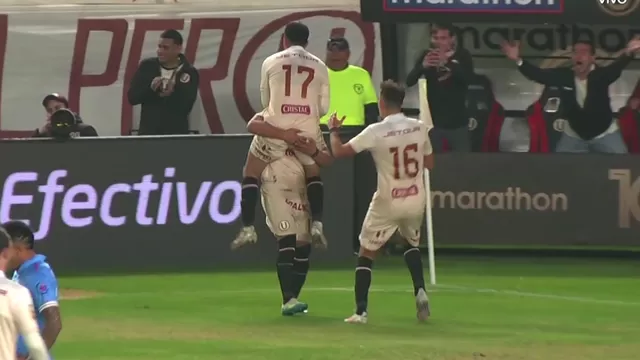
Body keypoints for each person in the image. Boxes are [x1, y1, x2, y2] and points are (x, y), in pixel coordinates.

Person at [327, 80, 435, 324]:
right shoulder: (419, 127)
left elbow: (340, 152)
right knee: (411, 243)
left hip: (388, 199)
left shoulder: (376, 130)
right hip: (415, 198)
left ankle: (361, 311)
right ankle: (420, 291)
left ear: (382, 102)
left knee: (367, 251)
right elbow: (430, 164)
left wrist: (334, 131)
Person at [233, 22, 330, 250]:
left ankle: (248, 228)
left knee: (251, 172)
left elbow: (266, 101)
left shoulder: (271, 61)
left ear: (284, 39)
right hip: (307, 129)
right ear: (307, 42)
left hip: (277, 127)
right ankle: (317, 224)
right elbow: (324, 108)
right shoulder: (321, 66)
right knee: (313, 172)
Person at [501, 38, 640, 153]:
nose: (578, 56)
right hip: (574, 135)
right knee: (562, 170)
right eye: (575, 52)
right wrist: (518, 59)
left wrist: (629, 52)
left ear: (592, 58)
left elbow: (617, 67)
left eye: (583, 52)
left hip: (605, 133)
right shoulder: (564, 76)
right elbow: (538, 75)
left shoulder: (601, 75)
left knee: (623, 164)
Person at [254, 123, 332, 316]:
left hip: (300, 191)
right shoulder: (267, 126)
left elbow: (325, 162)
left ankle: (291, 300)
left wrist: (313, 150)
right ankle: (288, 299)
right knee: (287, 240)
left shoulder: (308, 132)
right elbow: (252, 126)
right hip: (275, 187)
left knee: (303, 247)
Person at [405, 23, 474, 152]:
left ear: (452, 39)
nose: (438, 42)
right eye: (435, 38)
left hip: (458, 124)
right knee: (437, 165)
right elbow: (409, 81)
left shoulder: (462, 55)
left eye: (443, 38)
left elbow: (469, 79)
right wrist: (422, 67)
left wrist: (447, 63)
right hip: (434, 124)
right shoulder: (427, 55)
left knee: (463, 165)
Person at [3, 221, 62, 359]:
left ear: (18, 250)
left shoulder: (38, 274)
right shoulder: (23, 272)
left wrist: (31, 358)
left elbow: (54, 322)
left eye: (5, 250)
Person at [127, 29, 199, 135]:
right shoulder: (147, 66)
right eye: (159, 46)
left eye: (165, 48)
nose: (160, 51)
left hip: (176, 136)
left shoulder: (189, 72)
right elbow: (132, 97)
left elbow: (187, 106)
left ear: (178, 48)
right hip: (148, 134)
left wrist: (173, 93)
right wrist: (151, 89)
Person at [319, 37, 378, 127]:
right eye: (332, 50)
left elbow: (371, 106)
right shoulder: (316, 73)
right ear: (326, 53)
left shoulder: (361, 74)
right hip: (323, 129)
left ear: (348, 54)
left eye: (340, 50)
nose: (336, 54)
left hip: (355, 131)